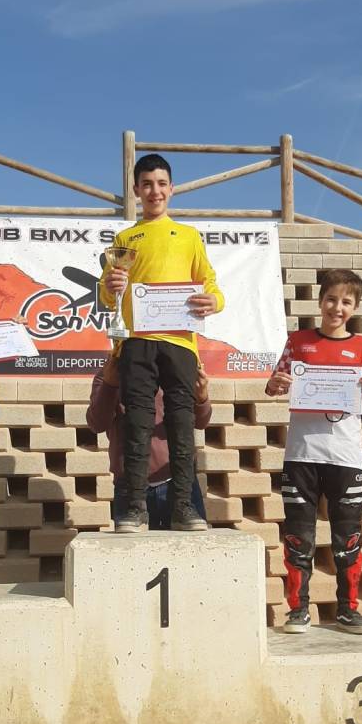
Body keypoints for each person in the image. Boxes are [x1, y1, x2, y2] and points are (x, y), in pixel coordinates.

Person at [99, 153, 224, 533]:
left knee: (181, 423)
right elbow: (108, 295)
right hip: (137, 342)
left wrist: (214, 300)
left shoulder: (188, 236)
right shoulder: (125, 238)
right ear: (136, 190)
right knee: (137, 422)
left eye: (161, 184)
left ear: (172, 189)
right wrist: (110, 286)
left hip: (180, 343)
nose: (155, 191)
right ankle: (134, 507)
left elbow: (210, 282)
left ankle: (183, 506)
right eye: (147, 184)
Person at [265, 269, 362, 635]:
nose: (337, 308)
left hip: (345, 456)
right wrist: (275, 383)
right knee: (298, 538)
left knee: (347, 539)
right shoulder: (298, 341)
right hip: (301, 454)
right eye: (331, 299)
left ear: (355, 307)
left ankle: (348, 611)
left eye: (346, 302)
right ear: (320, 301)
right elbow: (276, 386)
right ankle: (298, 611)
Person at [86, 355, 211, 529]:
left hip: (178, 483)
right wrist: (110, 384)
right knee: (131, 546)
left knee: (191, 545)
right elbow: (96, 424)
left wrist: (202, 398)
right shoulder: (111, 371)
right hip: (128, 486)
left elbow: (201, 422)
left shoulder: (176, 370)